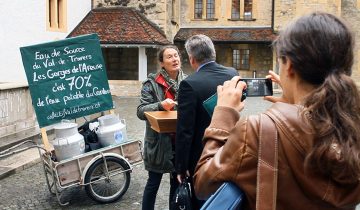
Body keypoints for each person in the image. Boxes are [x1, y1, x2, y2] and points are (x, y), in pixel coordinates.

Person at [193, 12, 360, 210]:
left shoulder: (257, 130)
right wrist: (296, 104)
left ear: (288, 65)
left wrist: (223, 114)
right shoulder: (351, 129)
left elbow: (203, 184)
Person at [175, 34, 238, 209]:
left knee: (202, 200)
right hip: (230, 148)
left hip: (202, 154)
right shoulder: (232, 74)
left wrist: (181, 167)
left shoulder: (189, 84)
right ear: (213, 53)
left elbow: (185, 131)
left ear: (192, 59)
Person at [137, 45, 187, 210]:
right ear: (162, 63)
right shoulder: (151, 84)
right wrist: (159, 105)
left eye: (176, 55)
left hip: (179, 142)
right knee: (153, 183)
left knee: (176, 181)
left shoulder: (187, 82)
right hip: (158, 143)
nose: (174, 59)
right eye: (169, 57)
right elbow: (140, 111)